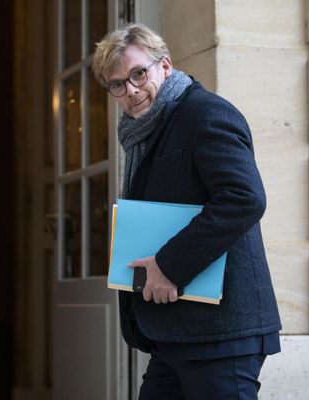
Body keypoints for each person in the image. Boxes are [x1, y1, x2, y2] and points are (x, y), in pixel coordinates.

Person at [93, 23, 282, 400]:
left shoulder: (205, 113)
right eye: (117, 84)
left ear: (165, 66)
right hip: (177, 332)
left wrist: (169, 265)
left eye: (138, 74)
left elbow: (244, 198)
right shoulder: (145, 131)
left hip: (220, 333)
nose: (130, 90)